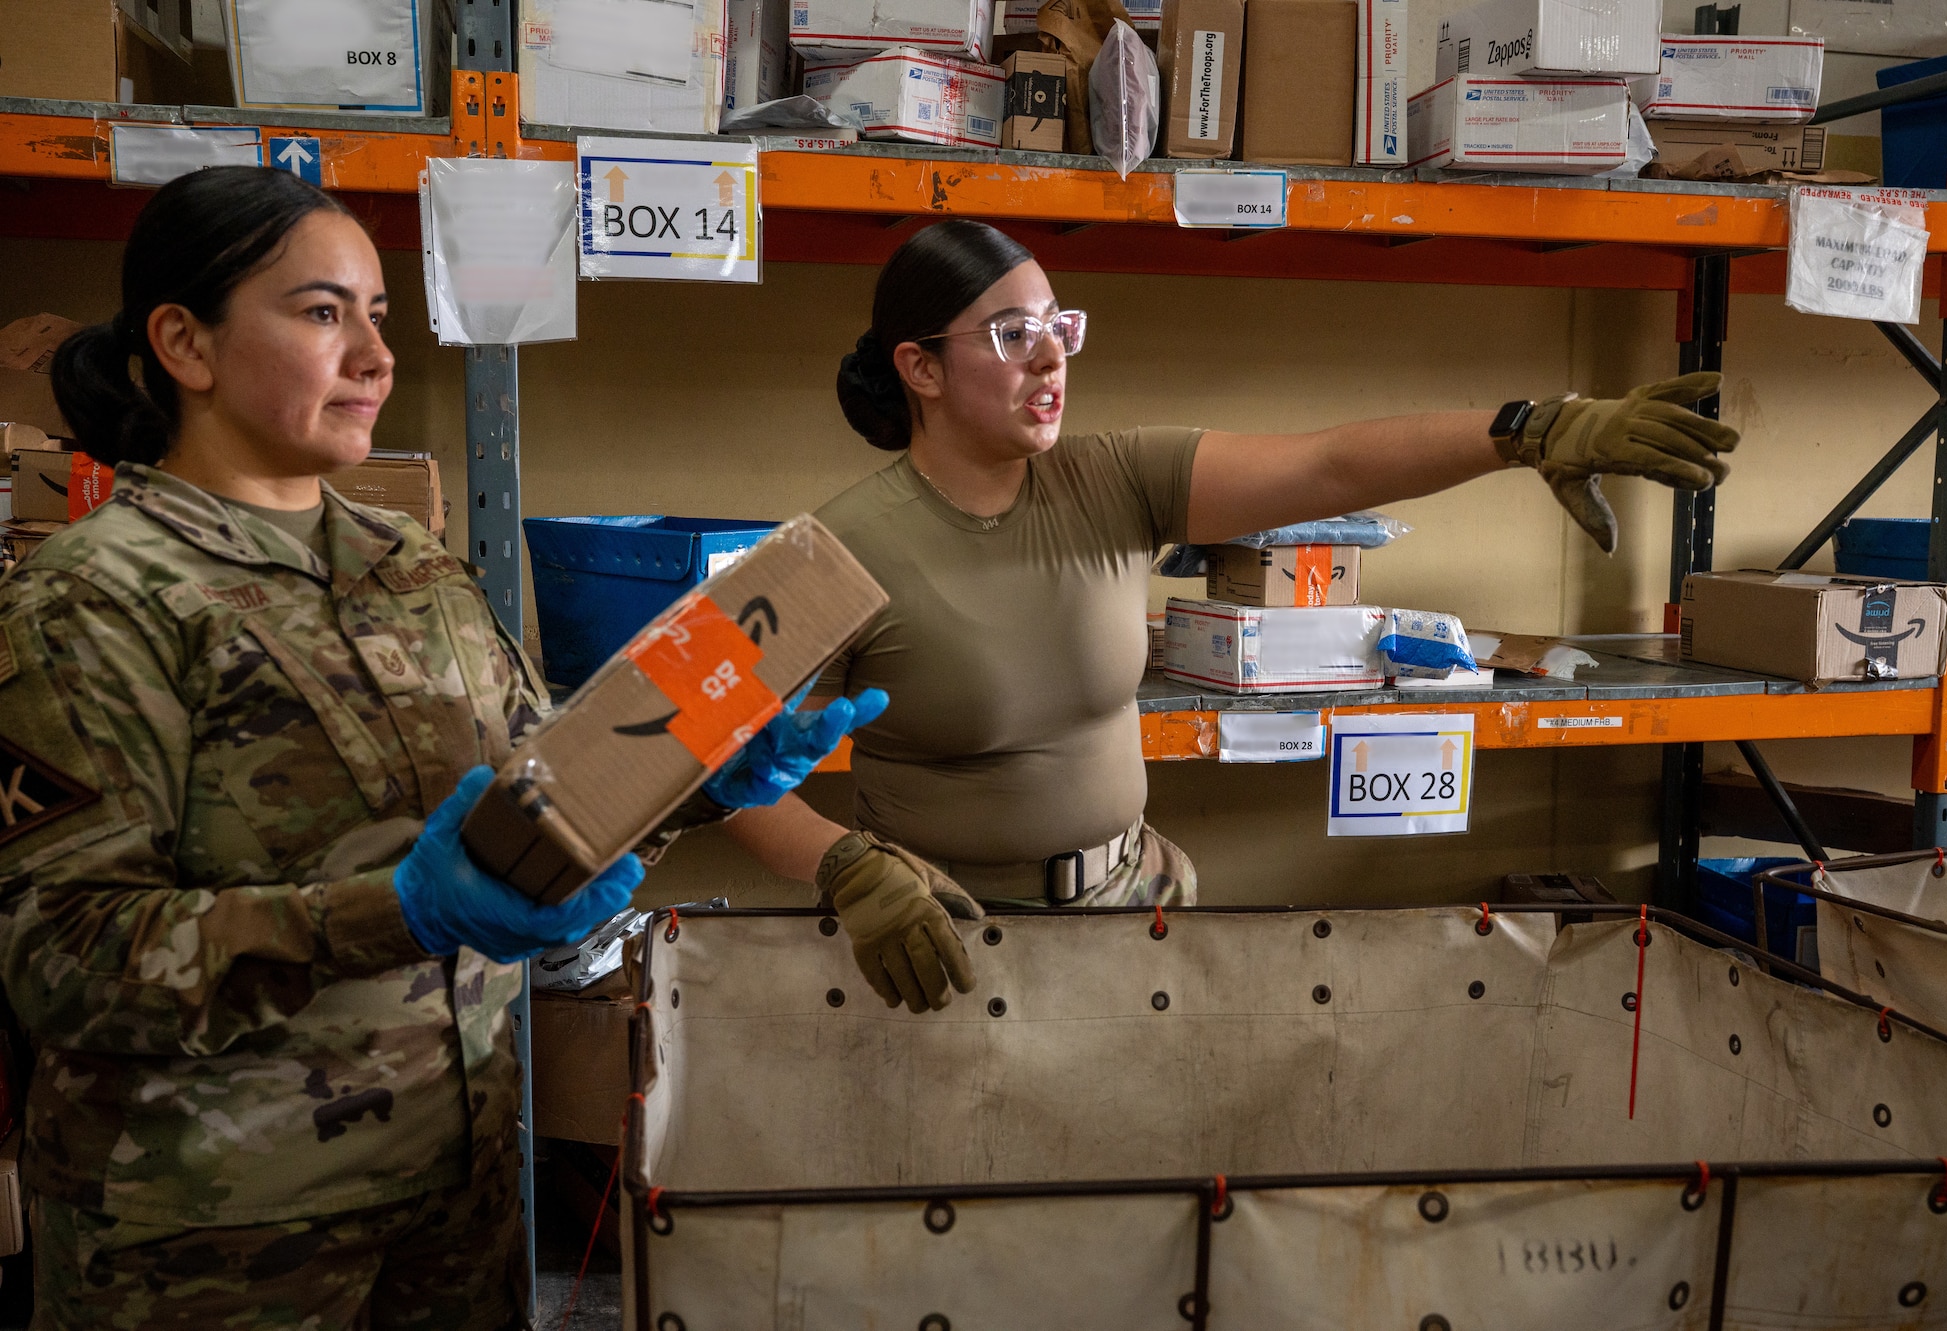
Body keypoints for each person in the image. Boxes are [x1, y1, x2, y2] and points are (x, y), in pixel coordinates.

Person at [0, 166, 878, 1330]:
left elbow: (538, 811)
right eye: (322, 313)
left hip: (455, 1208)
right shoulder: (92, 598)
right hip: (213, 1239)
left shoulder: (408, 564)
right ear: (184, 343)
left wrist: (695, 781)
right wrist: (398, 912)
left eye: (377, 313)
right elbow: (63, 956)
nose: (375, 355)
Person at [725, 219, 1740, 1016]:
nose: (1050, 361)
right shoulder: (836, 547)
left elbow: (1326, 462)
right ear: (920, 368)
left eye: (1057, 326)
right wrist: (841, 864)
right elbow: (695, 754)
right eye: (1010, 334)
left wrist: (1528, 428)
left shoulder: (1111, 479)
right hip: (946, 940)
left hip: (1134, 912)